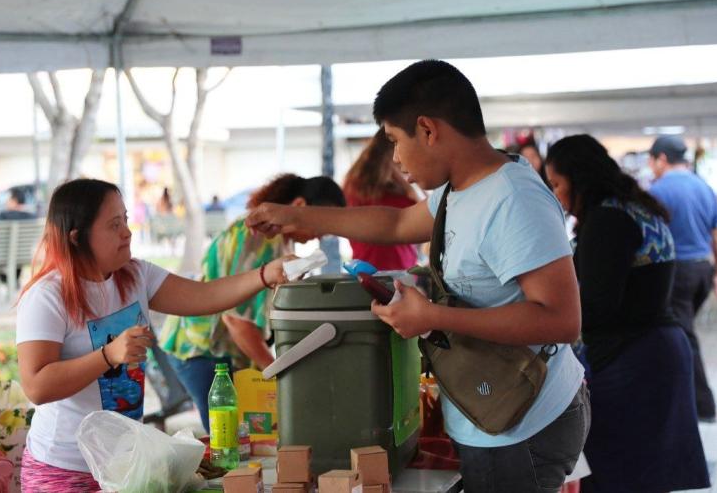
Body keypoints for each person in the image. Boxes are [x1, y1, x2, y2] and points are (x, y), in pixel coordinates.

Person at [247, 60, 588, 493]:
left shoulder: (513, 198)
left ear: (427, 130)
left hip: (524, 423)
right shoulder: (460, 189)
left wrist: (432, 318)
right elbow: (394, 225)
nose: (395, 158)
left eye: (395, 140)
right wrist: (301, 216)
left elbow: (561, 320)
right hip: (489, 411)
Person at [16, 178, 294, 491]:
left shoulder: (136, 275)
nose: (127, 232)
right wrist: (108, 355)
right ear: (78, 237)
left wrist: (266, 274)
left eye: (125, 220)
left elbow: (204, 296)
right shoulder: (46, 296)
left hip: (125, 463)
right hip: (63, 467)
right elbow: (37, 385)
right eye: (113, 225)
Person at [545, 134, 710, 493]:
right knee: (645, 475)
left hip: (632, 363)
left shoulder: (607, 221)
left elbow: (597, 307)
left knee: (620, 474)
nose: (556, 194)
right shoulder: (633, 207)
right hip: (656, 351)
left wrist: (543, 319)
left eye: (557, 184)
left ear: (579, 177)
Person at [160, 174, 346, 432]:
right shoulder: (257, 236)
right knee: (228, 439)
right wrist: (279, 372)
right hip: (200, 348)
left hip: (227, 351)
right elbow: (236, 321)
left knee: (247, 437)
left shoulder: (282, 241)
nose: (320, 234)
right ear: (301, 206)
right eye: (321, 223)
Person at [648, 134, 717, 422]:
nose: (651, 166)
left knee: (683, 338)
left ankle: (702, 405)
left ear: (661, 159)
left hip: (676, 273)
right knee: (678, 333)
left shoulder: (657, 190)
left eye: (652, 160)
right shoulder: (704, 187)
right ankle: (677, 396)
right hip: (702, 271)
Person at [343, 128, 421, 270]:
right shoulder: (394, 193)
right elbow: (423, 212)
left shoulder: (353, 184)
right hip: (392, 267)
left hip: (370, 267)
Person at [0, 187, 36, 288]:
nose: (6, 202)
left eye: (8, 199)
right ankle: (13, 282)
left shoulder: (3, 216)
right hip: (26, 255)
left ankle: (8, 281)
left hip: (3, 255)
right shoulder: (32, 216)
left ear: (14, 201)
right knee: (16, 260)